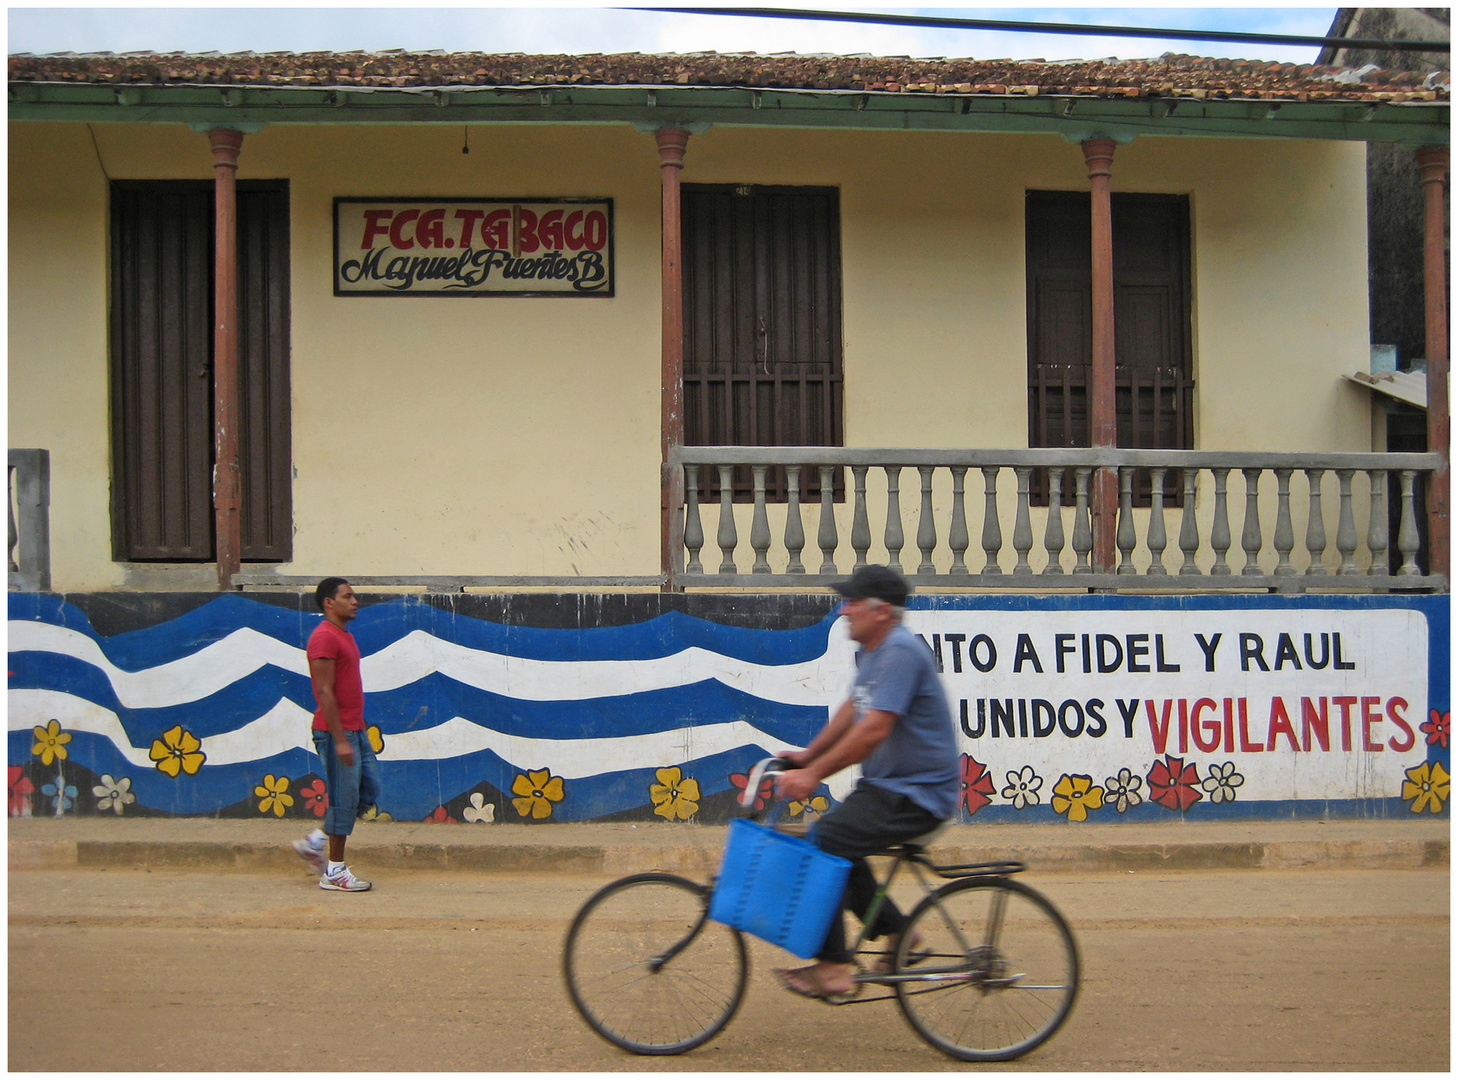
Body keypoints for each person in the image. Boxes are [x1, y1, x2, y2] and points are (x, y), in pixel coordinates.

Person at [773, 564, 959, 1002]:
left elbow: (872, 730)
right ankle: (899, 935)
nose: (843, 610)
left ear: (881, 611)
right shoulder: (878, 652)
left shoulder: (899, 651)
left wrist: (814, 775)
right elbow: (852, 712)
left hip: (917, 794)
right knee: (836, 839)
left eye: (853, 602)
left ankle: (835, 967)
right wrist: (807, 756)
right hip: (891, 788)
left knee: (827, 842)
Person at [292, 577, 380, 892]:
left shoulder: (344, 636)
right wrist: (340, 738)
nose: (355, 601)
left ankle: (315, 841)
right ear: (329, 602)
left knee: (368, 790)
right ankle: (334, 871)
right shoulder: (324, 638)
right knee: (344, 801)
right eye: (347, 596)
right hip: (336, 733)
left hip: (355, 729)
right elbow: (323, 691)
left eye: (354, 596)